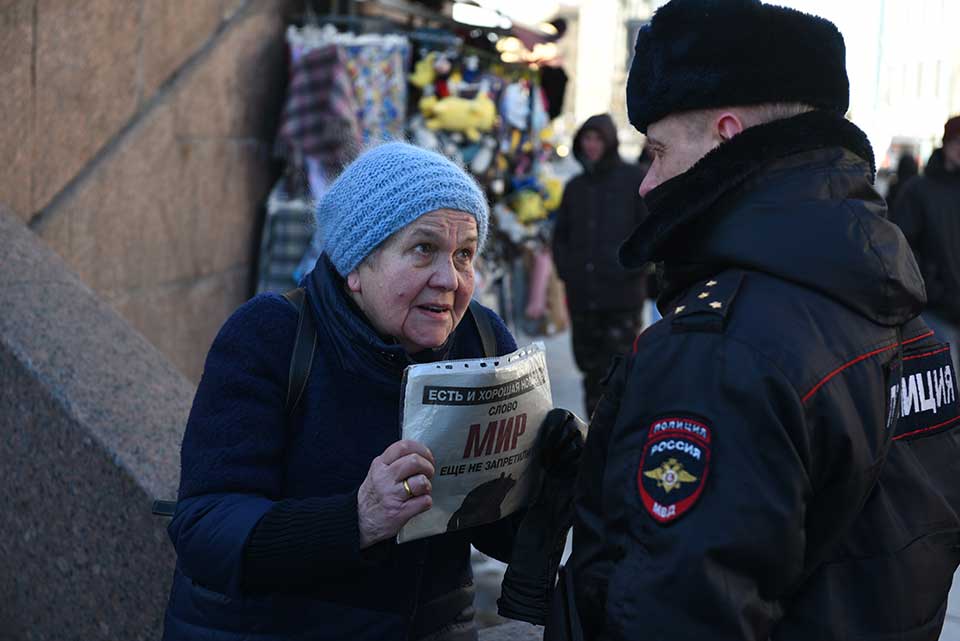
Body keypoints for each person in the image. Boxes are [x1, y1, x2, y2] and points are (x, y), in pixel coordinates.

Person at [566, 2, 960, 640]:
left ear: (724, 133)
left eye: (658, 150)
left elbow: (677, 613)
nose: (647, 182)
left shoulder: (722, 349)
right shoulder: (902, 317)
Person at [161, 142, 570, 641]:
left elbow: (497, 531)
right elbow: (204, 529)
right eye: (424, 250)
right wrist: (356, 519)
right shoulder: (270, 336)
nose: (450, 279)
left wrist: (547, 485)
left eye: (464, 255)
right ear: (356, 265)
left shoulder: (481, 339)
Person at [551, 114, 648, 417]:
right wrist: (569, 271)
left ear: (609, 142)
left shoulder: (633, 179)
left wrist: (629, 268)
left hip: (621, 300)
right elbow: (560, 236)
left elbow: (648, 232)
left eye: (597, 139)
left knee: (620, 374)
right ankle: (592, 438)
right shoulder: (575, 187)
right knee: (590, 373)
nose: (591, 145)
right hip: (584, 300)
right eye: (586, 139)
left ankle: (618, 441)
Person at [891, 115, 960, 370]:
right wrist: (933, 289)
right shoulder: (919, 190)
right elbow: (902, 249)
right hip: (935, 312)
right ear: (947, 144)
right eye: (958, 142)